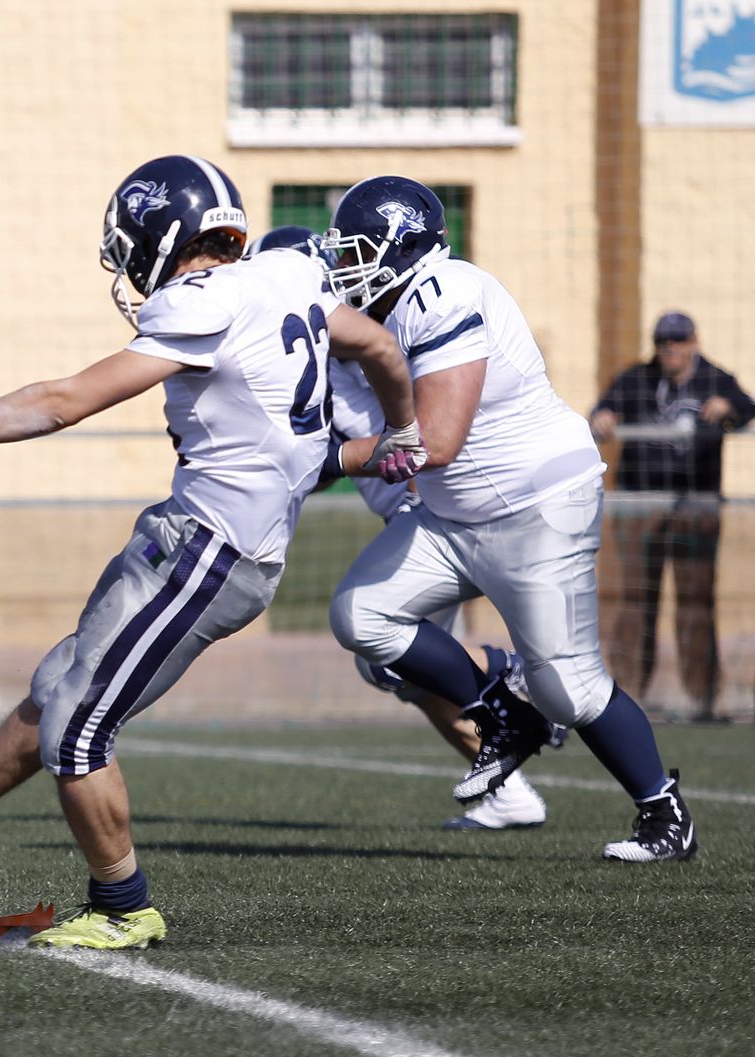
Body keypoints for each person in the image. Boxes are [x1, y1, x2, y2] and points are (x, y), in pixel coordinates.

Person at [0, 155, 423, 950]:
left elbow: (63, 402)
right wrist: (403, 429)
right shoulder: (289, 275)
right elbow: (380, 347)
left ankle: (123, 905)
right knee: (58, 684)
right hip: (190, 534)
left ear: (160, 238)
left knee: (77, 726)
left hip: (212, 553)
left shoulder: (200, 300)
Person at [323, 176, 699, 863]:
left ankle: (662, 810)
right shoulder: (386, 312)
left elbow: (435, 440)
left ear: (401, 247)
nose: (345, 268)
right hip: (451, 517)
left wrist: (330, 459)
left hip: (534, 508)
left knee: (569, 687)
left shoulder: (443, 291)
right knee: (361, 613)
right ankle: (502, 708)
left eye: (355, 252)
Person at [246, 225, 560, 831]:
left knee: (388, 653)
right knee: (399, 670)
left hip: (429, 508)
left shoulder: (369, 339)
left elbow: (411, 421)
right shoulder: (329, 351)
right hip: (407, 509)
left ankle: (509, 673)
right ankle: (508, 783)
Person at [589, 311, 754, 723]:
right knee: (634, 600)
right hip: (640, 505)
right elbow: (602, 408)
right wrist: (603, 416)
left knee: (695, 602)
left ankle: (702, 698)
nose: (670, 348)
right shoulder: (637, 378)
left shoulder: (715, 378)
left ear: (693, 342)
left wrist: (728, 406)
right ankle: (625, 697)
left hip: (694, 506)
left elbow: (747, 408)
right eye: (663, 341)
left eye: (678, 341)